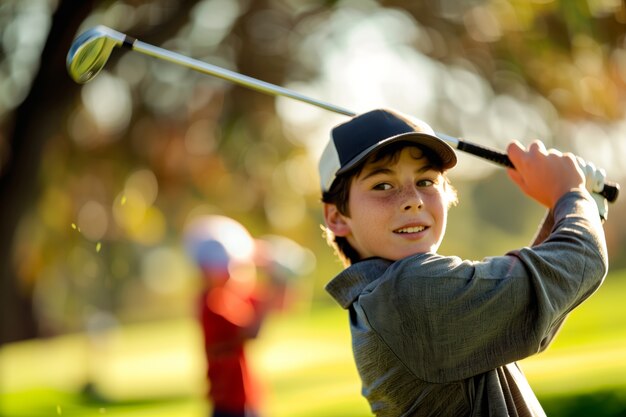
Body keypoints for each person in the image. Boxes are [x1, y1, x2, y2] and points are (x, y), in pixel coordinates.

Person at [318, 108, 609, 416]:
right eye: (382, 185)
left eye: (426, 181)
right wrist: (571, 194)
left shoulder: (383, 299)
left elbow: (537, 311)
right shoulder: (409, 293)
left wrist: (574, 207)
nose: (413, 198)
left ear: (447, 193)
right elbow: (578, 262)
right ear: (337, 217)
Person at [184, 215, 265, 417]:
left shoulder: (227, 297)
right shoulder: (212, 303)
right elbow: (252, 331)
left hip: (242, 398)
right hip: (230, 403)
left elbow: (262, 300)